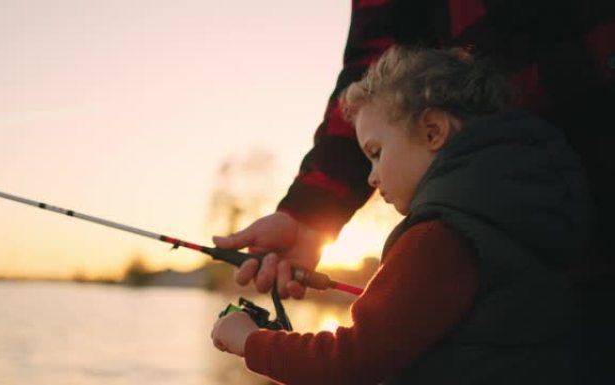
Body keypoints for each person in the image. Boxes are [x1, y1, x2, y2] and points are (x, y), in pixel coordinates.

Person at [213, 2, 614, 382]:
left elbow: (348, 365)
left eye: (375, 153)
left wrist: (249, 340)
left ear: (432, 131)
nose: (371, 177)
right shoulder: (538, 219)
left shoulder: (440, 237)